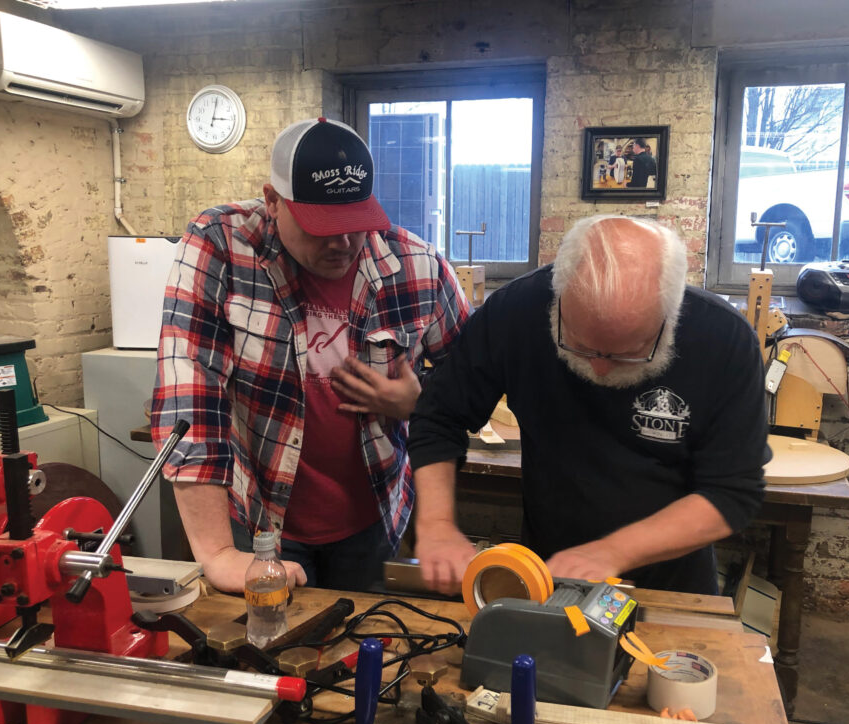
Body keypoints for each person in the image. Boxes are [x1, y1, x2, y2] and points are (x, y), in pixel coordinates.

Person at [151, 117, 472, 594]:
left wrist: (416, 403)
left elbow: (470, 383)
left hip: (375, 518)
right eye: (322, 227)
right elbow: (190, 394)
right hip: (259, 521)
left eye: (356, 223)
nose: (343, 243)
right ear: (274, 201)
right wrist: (217, 554)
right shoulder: (221, 244)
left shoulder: (417, 265)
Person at [408, 215, 769, 596]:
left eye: (626, 354)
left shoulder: (724, 341)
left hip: (670, 589)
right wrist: (436, 525)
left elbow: (732, 492)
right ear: (558, 295)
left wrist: (614, 552)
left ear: (671, 316)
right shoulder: (516, 311)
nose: (598, 368)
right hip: (547, 576)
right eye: (578, 344)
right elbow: (438, 417)